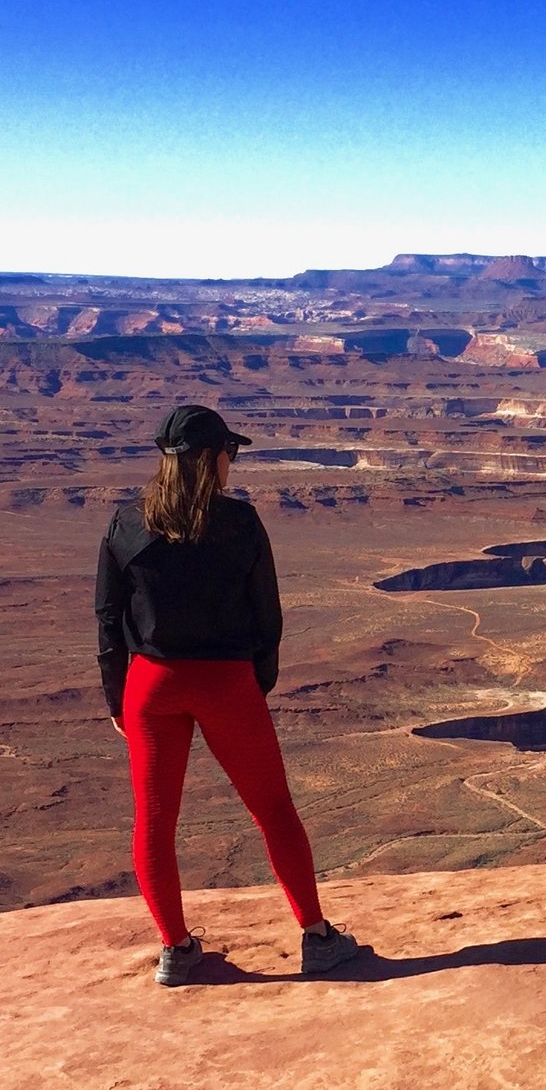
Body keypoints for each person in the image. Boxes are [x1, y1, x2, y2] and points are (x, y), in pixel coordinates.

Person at [94, 403, 370, 986]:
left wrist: (117, 698)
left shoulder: (126, 524)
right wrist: (254, 684)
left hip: (151, 685)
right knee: (273, 810)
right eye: (230, 453)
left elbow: (106, 618)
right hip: (225, 683)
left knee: (154, 822)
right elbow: (267, 617)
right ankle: (317, 937)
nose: (233, 463)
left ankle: (176, 949)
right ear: (211, 458)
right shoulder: (241, 525)